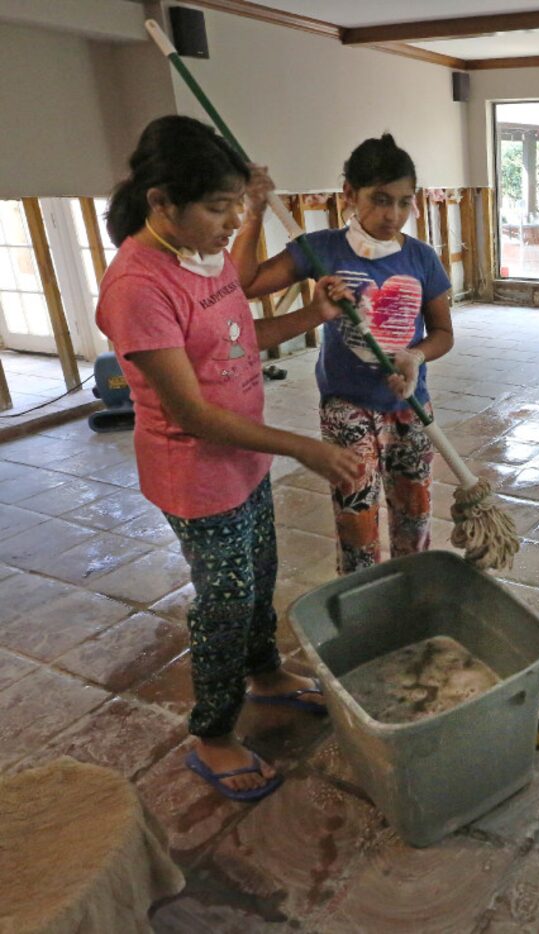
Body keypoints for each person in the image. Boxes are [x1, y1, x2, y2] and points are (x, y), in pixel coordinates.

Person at [96, 115, 364, 801]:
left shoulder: (203, 257)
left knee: (260, 572)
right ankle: (211, 734)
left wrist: (314, 316)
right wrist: (306, 447)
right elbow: (192, 413)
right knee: (224, 601)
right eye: (218, 209)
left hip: (245, 460)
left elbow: (242, 343)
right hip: (195, 475)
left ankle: (266, 671)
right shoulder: (138, 288)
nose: (229, 225)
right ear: (162, 203)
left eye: (236, 207)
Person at [235, 133, 453, 575]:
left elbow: (444, 333)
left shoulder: (422, 259)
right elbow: (241, 285)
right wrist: (254, 211)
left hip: (409, 405)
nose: (392, 215)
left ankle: (412, 592)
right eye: (379, 199)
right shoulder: (322, 250)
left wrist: (415, 357)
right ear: (349, 194)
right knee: (357, 517)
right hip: (347, 406)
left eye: (403, 202)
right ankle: (360, 599)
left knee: (414, 514)